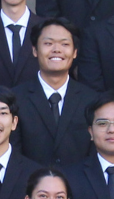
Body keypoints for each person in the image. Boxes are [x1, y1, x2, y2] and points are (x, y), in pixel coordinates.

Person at [12, 19, 99, 166]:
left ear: (75, 52)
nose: (57, 49)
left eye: (65, 44)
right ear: (34, 50)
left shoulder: (92, 100)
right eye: (48, 43)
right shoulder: (16, 99)